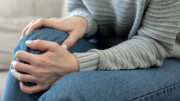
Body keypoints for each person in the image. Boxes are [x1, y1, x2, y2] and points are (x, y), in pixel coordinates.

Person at [2, 0, 180, 101]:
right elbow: (79, 6)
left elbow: (154, 44)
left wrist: (79, 64)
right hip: (103, 42)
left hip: (166, 59)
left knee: (69, 92)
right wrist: (81, 20)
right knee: (34, 46)